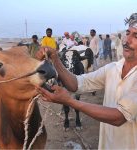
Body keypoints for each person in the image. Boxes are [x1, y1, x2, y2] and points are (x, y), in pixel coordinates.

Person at [36, 13, 137, 149]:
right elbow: (77, 84)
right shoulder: (113, 68)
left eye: (136, 36)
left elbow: (119, 117)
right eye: (128, 33)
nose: (126, 40)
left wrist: (69, 101)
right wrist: (55, 59)